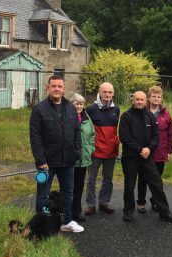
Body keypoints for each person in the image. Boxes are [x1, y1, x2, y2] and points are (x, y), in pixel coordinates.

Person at [29, 75, 84, 233]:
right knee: (43, 194)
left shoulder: (71, 108)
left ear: (64, 89)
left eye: (60, 86)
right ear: (48, 88)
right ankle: (41, 224)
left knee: (68, 192)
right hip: (47, 162)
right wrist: (40, 160)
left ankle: (66, 221)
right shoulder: (40, 109)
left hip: (68, 161)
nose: (57, 89)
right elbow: (35, 136)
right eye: (54, 86)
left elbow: (76, 132)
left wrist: (77, 152)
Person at [118, 91, 172, 223]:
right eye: (137, 99)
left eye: (142, 100)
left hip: (147, 157)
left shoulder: (150, 116)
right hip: (131, 157)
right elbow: (124, 137)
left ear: (146, 101)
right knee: (129, 185)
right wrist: (140, 149)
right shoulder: (126, 116)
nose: (140, 102)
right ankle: (128, 212)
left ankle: (164, 212)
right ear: (133, 100)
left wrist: (148, 149)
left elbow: (156, 136)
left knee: (157, 183)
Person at [136, 86, 172, 213]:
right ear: (149, 98)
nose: (156, 98)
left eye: (159, 96)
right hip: (145, 152)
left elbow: (171, 133)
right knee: (142, 179)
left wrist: (169, 151)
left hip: (160, 152)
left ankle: (155, 201)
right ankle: (141, 202)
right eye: (154, 96)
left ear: (161, 98)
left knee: (157, 180)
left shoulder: (165, 114)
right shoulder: (142, 111)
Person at [85, 82, 120, 215]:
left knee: (108, 180)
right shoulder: (90, 109)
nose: (107, 95)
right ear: (99, 92)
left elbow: (115, 130)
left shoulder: (116, 109)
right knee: (91, 180)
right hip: (96, 151)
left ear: (113, 93)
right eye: (105, 92)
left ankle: (104, 202)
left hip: (111, 151)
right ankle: (91, 204)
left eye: (110, 92)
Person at [70, 93, 95, 222]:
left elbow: (92, 135)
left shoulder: (87, 118)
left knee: (79, 186)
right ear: (71, 104)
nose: (79, 106)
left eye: (81, 104)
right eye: (76, 103)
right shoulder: (67, 117)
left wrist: (90, 149)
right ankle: (67, 212)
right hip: (71, 159)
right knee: (69, 187)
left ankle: (77, 211)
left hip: (84, 159)